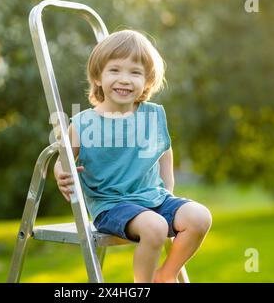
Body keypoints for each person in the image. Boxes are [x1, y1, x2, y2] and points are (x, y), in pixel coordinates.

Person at [53, 30, 212, 283]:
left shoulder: (153, 114)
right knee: (155, 226)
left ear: (147, 80)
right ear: (98, 76)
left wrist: (168, 188)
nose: (124, 80)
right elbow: (62, 160)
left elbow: (165, 150)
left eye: (134, 72)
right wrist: (61, 173)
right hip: (112, 205)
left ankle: (166, 274)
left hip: (154, 198)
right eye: (115, 70)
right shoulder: (83, 123)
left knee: (200, 216)